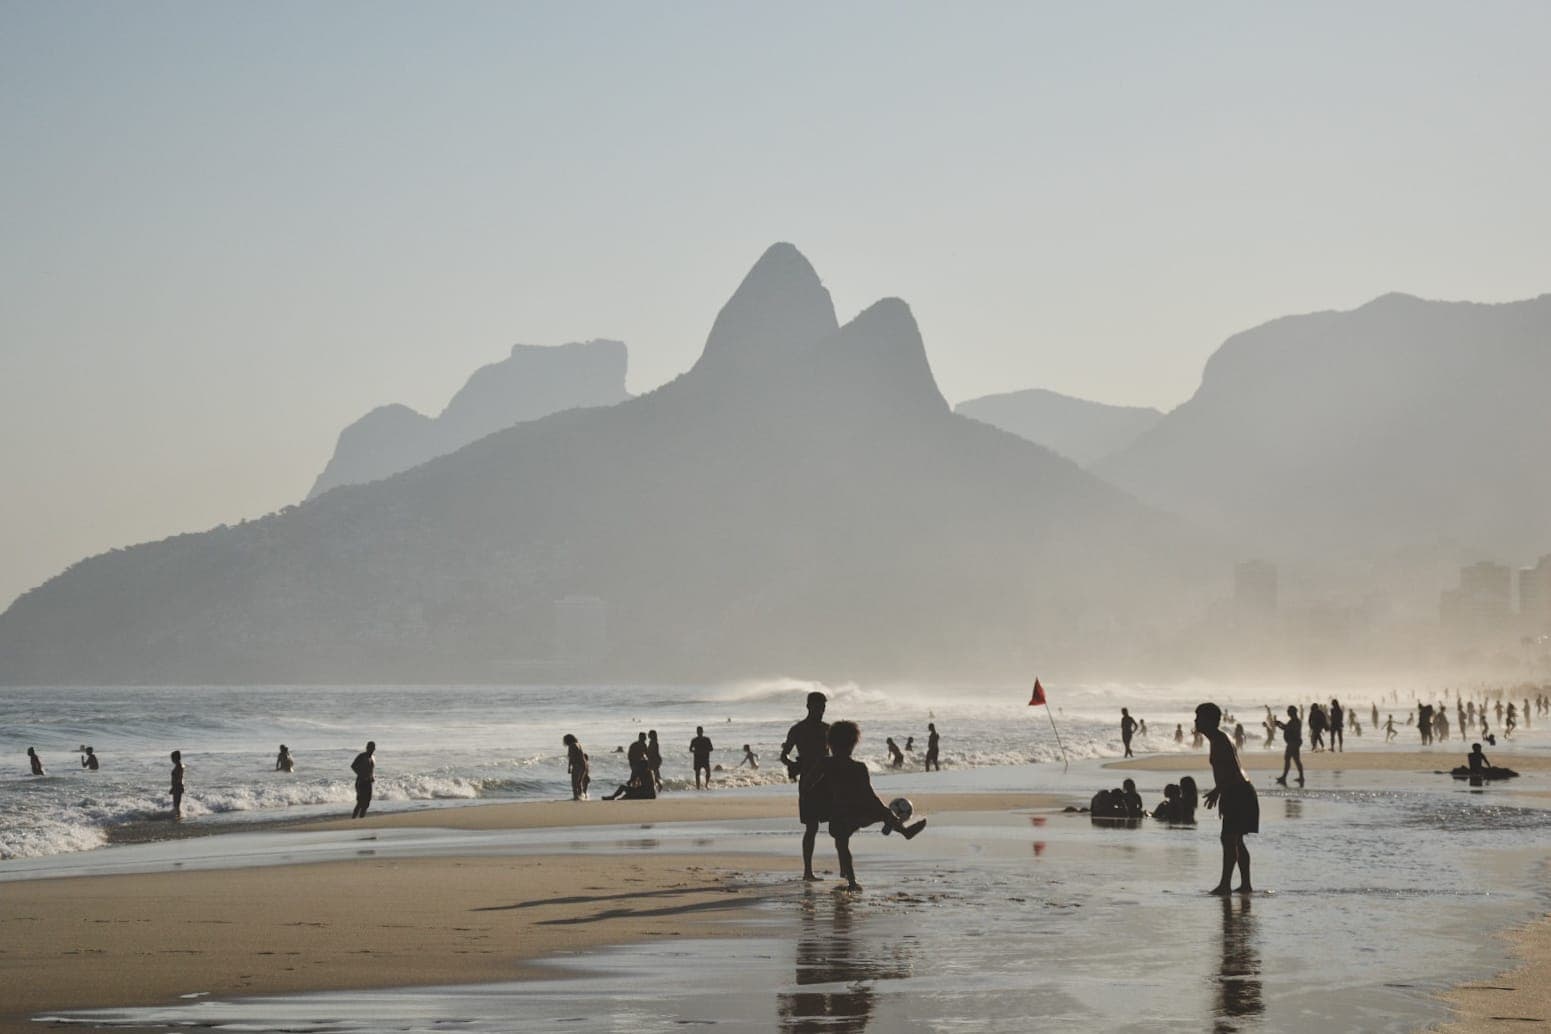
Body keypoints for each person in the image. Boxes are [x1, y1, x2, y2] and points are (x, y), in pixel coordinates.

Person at [823, 720, 925, 891]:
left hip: (838, 814)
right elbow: (870, 796)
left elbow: (810, 784)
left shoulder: (825, 763)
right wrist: (886, 812)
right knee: (880, 814)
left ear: (830, 743)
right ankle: (902, 829)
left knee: (842, 843)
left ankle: (850, 880)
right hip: (857, 812)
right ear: (853, 744)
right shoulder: (858, 767)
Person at [1198, 703, 1257, 895]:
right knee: (1236, 840)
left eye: (1199, 717)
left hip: (1238, 791)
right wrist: (1221, 792)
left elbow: (1232, 771)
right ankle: (1245, 884)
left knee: (1229, 838)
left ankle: (1225, 885)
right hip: (1237, 791)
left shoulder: (1220, 740)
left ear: (1209, 721)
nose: (1195, 721)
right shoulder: (1219, 738)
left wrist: (1218, 792)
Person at [780, 691, 831, 881]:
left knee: (838, 824)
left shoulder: (828, 729)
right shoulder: (797, 730)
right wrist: (794, 766)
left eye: (824, 707)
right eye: (819, 706)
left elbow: (835, 755)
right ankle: (807, 871)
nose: (822, 710)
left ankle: (845, 868)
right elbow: (784, 756)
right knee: (812, 827)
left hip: (827, 781)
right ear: (809, 706)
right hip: (808, 782)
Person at [1274, 706, 1304, 786]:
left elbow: (1287, 728)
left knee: (1289, 759)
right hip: (1293, 742)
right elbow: (1285, 728)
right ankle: (1300, 777)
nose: (1288, 713)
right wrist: (1279, 724)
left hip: (1293, 743)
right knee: (1296, 760)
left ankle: (1284, 777)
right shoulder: (1294, 721)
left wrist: (1279, 724)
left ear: (1292, 712)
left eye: (1288, 712)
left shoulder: (1295, 721)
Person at [350, 740, 375, 818]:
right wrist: (361, 774)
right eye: (370, 748)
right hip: (361, 782)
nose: (372, 749)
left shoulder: (373, 757)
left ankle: (361, 819)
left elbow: (371, 769)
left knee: (367, 803)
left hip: (369, 783)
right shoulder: (361, 756)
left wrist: (372, 776)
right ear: (367, 748)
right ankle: (353, 820)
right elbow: (353, 766)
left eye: (373, 748)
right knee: (360, 802)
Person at [564, 734, 590, 800]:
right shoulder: (578, 744)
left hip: (577, 765)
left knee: (574, 783)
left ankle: (576, 797)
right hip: (584, 765)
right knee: (579, 782)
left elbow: (571, 757)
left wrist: (569, 767)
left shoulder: (572, 745)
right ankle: (581, 796)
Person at [170, 750, 185, 818]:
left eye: (172, 758)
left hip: (177, 786)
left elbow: (179, 778)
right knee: (176, 804)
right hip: (177, 786)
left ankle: (178, 817)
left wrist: (174, 787)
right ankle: (178, 816)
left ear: (176, 758)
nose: (171, 760)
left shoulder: (179, 766)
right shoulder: (179, 766)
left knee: (176, 804)